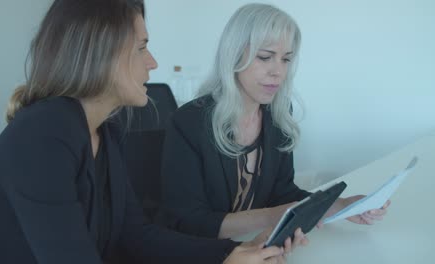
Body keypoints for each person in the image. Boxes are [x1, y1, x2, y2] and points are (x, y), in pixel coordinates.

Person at [0, 0, 288, 263]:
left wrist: (232, 253)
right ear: (100, 54)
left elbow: (136, 235)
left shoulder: (103, 133)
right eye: (142, 47)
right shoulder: (44, 132)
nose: (152, 62)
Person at [157, 3, 390, 241]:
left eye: (286, 59)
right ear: (233, 54)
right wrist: (273, 217)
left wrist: (340, 206)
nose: (278, 71)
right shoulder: (188, 122)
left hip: (254, 245)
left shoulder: (278, 114)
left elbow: (282, 193)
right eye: (265, 57)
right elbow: (188, 222)